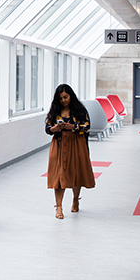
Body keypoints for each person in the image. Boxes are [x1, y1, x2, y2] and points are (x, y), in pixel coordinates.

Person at [45, 84, 97, 219]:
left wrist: (72, 127)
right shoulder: (55, 111)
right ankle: (59, 206)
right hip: (59, 145)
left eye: (66, 97)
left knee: (76, 173)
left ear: (71, 96)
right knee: (58, 175)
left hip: (76, 144)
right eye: (61, 98)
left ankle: (75, 199)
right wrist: (55, 129)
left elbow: (86, 126)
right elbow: (47, 128)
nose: (63, 101)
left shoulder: (79, 110)